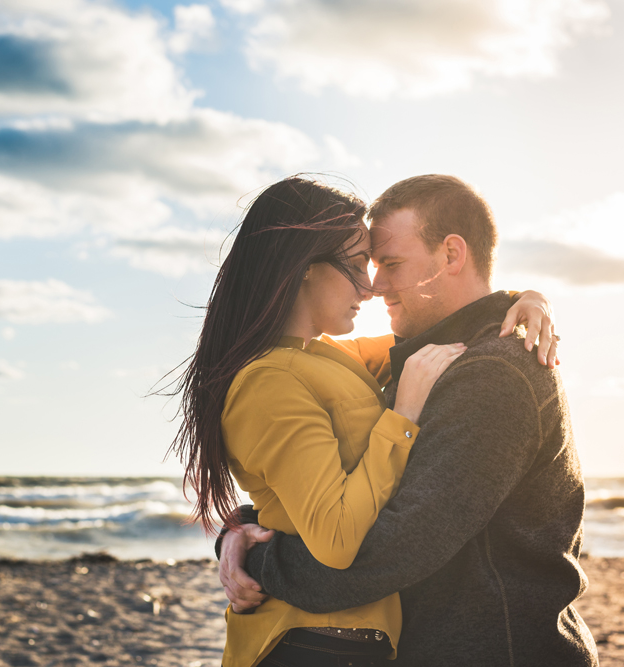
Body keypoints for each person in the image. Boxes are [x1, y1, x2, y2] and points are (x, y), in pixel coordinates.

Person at [169, 176, 558, 667]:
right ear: (303, 270)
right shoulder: (289, 373)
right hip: (326, 643)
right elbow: (331, 512)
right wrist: (243, 529)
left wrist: (528, 298)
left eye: (387, 264)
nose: (373, 285)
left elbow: (378, 542)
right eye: (360, 266)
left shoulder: (479, 374)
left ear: (452, 255)